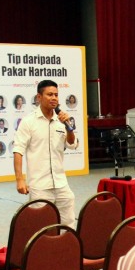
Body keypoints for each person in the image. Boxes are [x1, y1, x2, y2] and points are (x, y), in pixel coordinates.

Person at [13, 79, 79, 227]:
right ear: (39, 97)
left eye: (56, 95)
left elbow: (72, 144)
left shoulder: (61, 120)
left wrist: (69, 128)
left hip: (61, 183)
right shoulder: (28, 122)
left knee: (68, 224)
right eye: (49, 94)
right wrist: (19, 179)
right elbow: (18, 150)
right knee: (41, 225)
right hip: (39, 185)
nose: (54, 98)